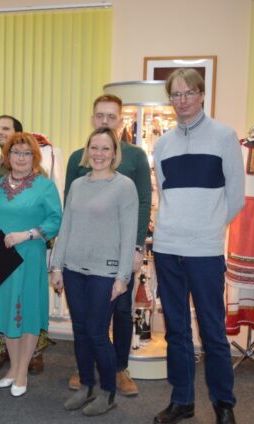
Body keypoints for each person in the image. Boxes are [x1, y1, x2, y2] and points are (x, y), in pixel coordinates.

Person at [152, 68, 245, 424]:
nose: (182, 100)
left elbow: (236, 197)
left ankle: (224, 406)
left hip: (205, 251)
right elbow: (165, 195)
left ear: (202, 94)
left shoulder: (224, 136)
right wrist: (174, 229)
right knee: (175, 330)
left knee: (212, 331)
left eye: (189, 92)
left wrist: (206, 229)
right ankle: (182, 399)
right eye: (175, 94)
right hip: (167, 249)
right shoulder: (162, 144)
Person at [64, 94, 151, 396]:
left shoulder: (136, 157)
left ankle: (119, 368)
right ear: (92, 119)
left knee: (122, 312)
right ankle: (85, 368)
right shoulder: (78, 158)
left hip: (118, 255)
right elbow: (69, 206)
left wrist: (137, 248)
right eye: (100, 115)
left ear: (121, 121)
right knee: (84, 318)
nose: (105, 121)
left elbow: (143, 202)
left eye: (111, 116)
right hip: (82, 255)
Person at [51, 127, 138, 416]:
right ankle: (87, 386)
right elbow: (66, 227)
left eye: (105, 148)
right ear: (87, 151)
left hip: (106, 271)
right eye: (94, 148)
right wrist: (57, 266)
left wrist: (122, 277)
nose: (99, 154)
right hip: (74, 268)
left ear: (114, 153)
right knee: (80, 330)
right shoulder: (78, 184)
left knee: (98, 332)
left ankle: (108, 392)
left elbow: (129, 235)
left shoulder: (124, 186)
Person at [0, 132, 62, 397]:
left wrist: (27, 234)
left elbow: (56, 220)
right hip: (0, 257)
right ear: (7, 156)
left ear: (34, 157)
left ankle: (22, 372)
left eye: (27, 153)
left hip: (28, 256)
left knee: (27, 314)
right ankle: (13, 369)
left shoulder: (44, 186)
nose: (21, 158)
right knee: (6, 314)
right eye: (16, 152)